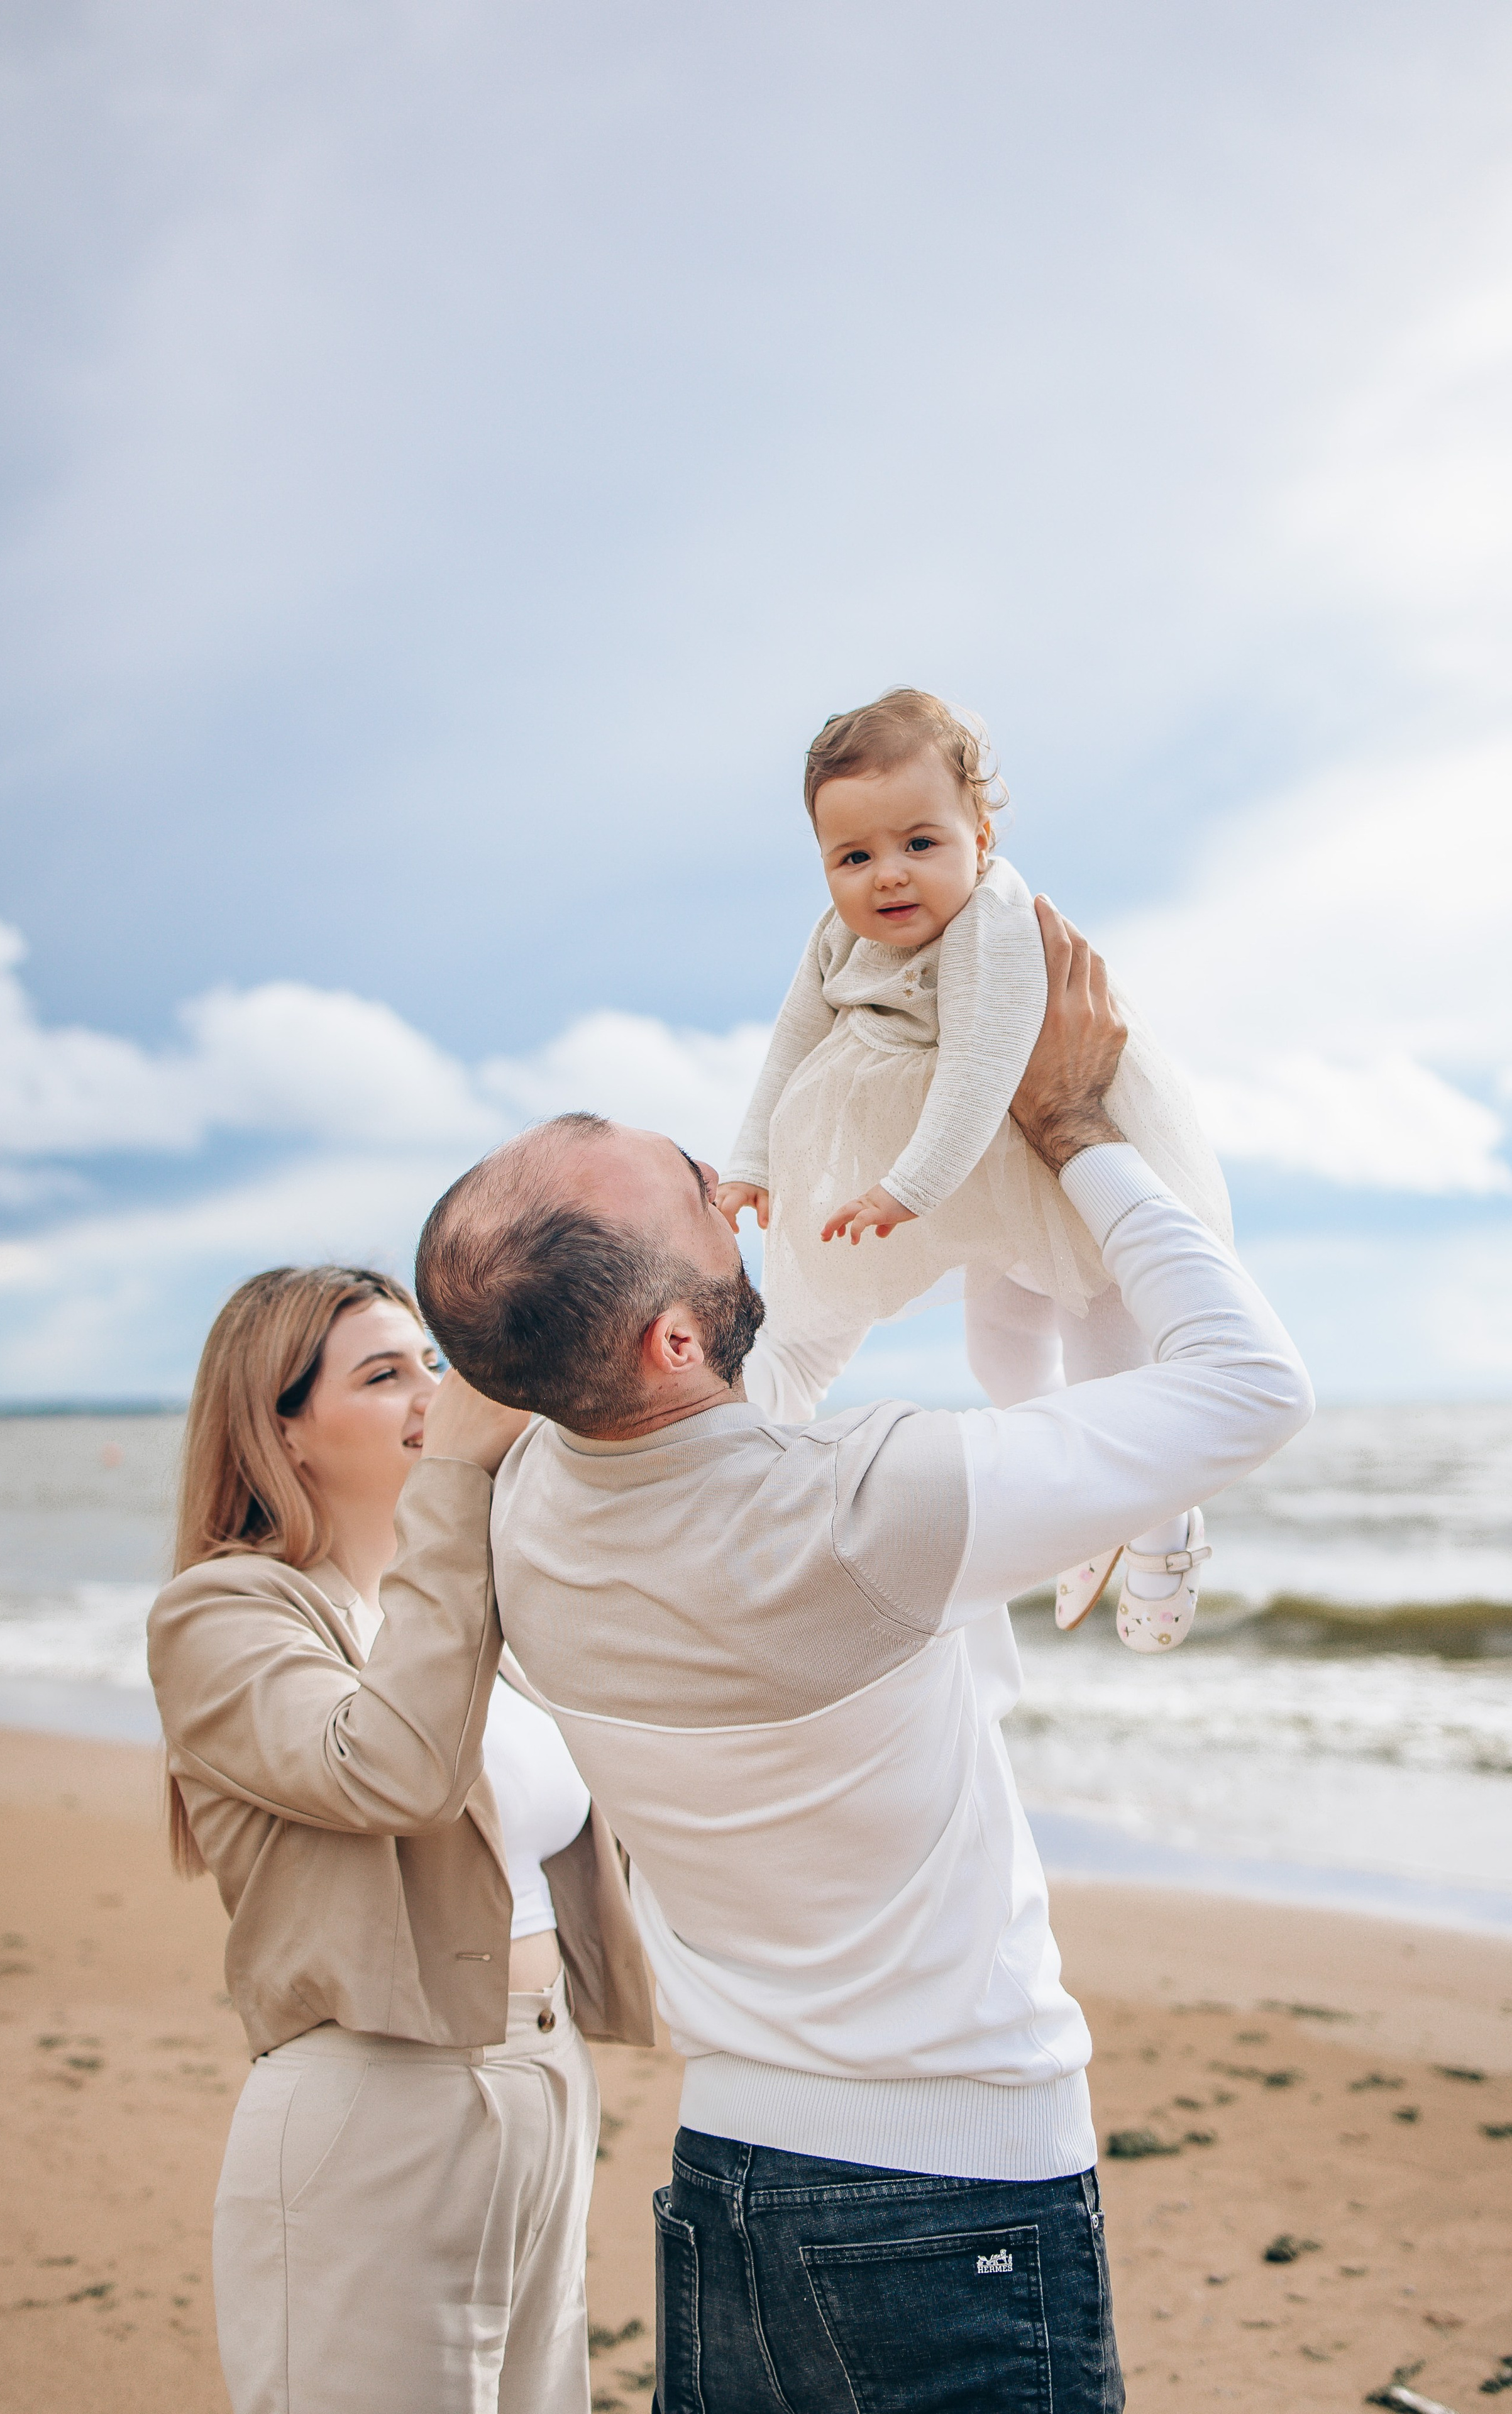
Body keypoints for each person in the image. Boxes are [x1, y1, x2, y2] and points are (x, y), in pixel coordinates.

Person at [414, 905, 1313, 2414]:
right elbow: (1244, 1388)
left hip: (733, 2177)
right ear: (671, 1347)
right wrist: (1081, 1130)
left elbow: (767, 1365)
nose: (730, 1185)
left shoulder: (528, 1523)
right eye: (700, 1196)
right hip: (947, 2192)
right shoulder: (856, 1511)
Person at [147, 1264, 653, 2414]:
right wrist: (463, 1486)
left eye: (435, 1361)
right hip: (376, 2104)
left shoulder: (480, 1620)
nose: (434, 1391)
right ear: (282, 1434)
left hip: (543, 2076)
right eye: (384, 1375)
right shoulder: (225, 1615)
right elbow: (397, 1770)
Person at [717, 688, 1234, 1648]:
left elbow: (981, 1071)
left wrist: (907, 1188)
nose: (888, 877)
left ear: (981, 834)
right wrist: (752, 1162)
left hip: (1056, 1161)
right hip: (975, 1188)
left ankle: (1161, 1523)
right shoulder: (839, 937)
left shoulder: (993, 920)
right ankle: (1081, 1500)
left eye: (920, 843)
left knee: (1106, 1366)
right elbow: (792, 1042)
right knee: (997, 1356)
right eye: (853, 857)